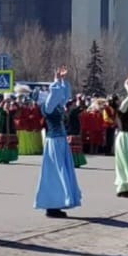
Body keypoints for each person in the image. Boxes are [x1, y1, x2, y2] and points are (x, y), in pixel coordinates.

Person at [34, 68, 82, 219]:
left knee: (63, 170)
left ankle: (59, 202)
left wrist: (62, 80)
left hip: (60, 141)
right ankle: (52, 204)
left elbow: (63, 96)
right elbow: (55, 95)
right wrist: (55, 81)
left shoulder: (57, 106)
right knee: (55, 171)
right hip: (53, 141)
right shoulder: (47, 108)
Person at [0, 95, 19, 164]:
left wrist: (14, 102)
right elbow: (0, 107)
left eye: (8, 105)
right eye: (6, 105)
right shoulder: (1, 112)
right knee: (1, 145)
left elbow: (18, 109)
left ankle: (8, 158)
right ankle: (0, 158)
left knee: (10, 145)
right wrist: (4, 101)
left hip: (11, 131)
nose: (7, 106)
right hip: (2, 131)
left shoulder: (11, 113)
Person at [66, 94, 87, 168]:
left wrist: (82, 101)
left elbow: (83, 108)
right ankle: (72, 162)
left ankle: (76, 162)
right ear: (69, 105)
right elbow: (79, 108)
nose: (74, 104)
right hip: (71, 132)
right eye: (72, 104)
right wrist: (79, 99)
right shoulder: (71, 112)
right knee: (73, 149)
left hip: (75, 131)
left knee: (76, 149)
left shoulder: (73, 111)